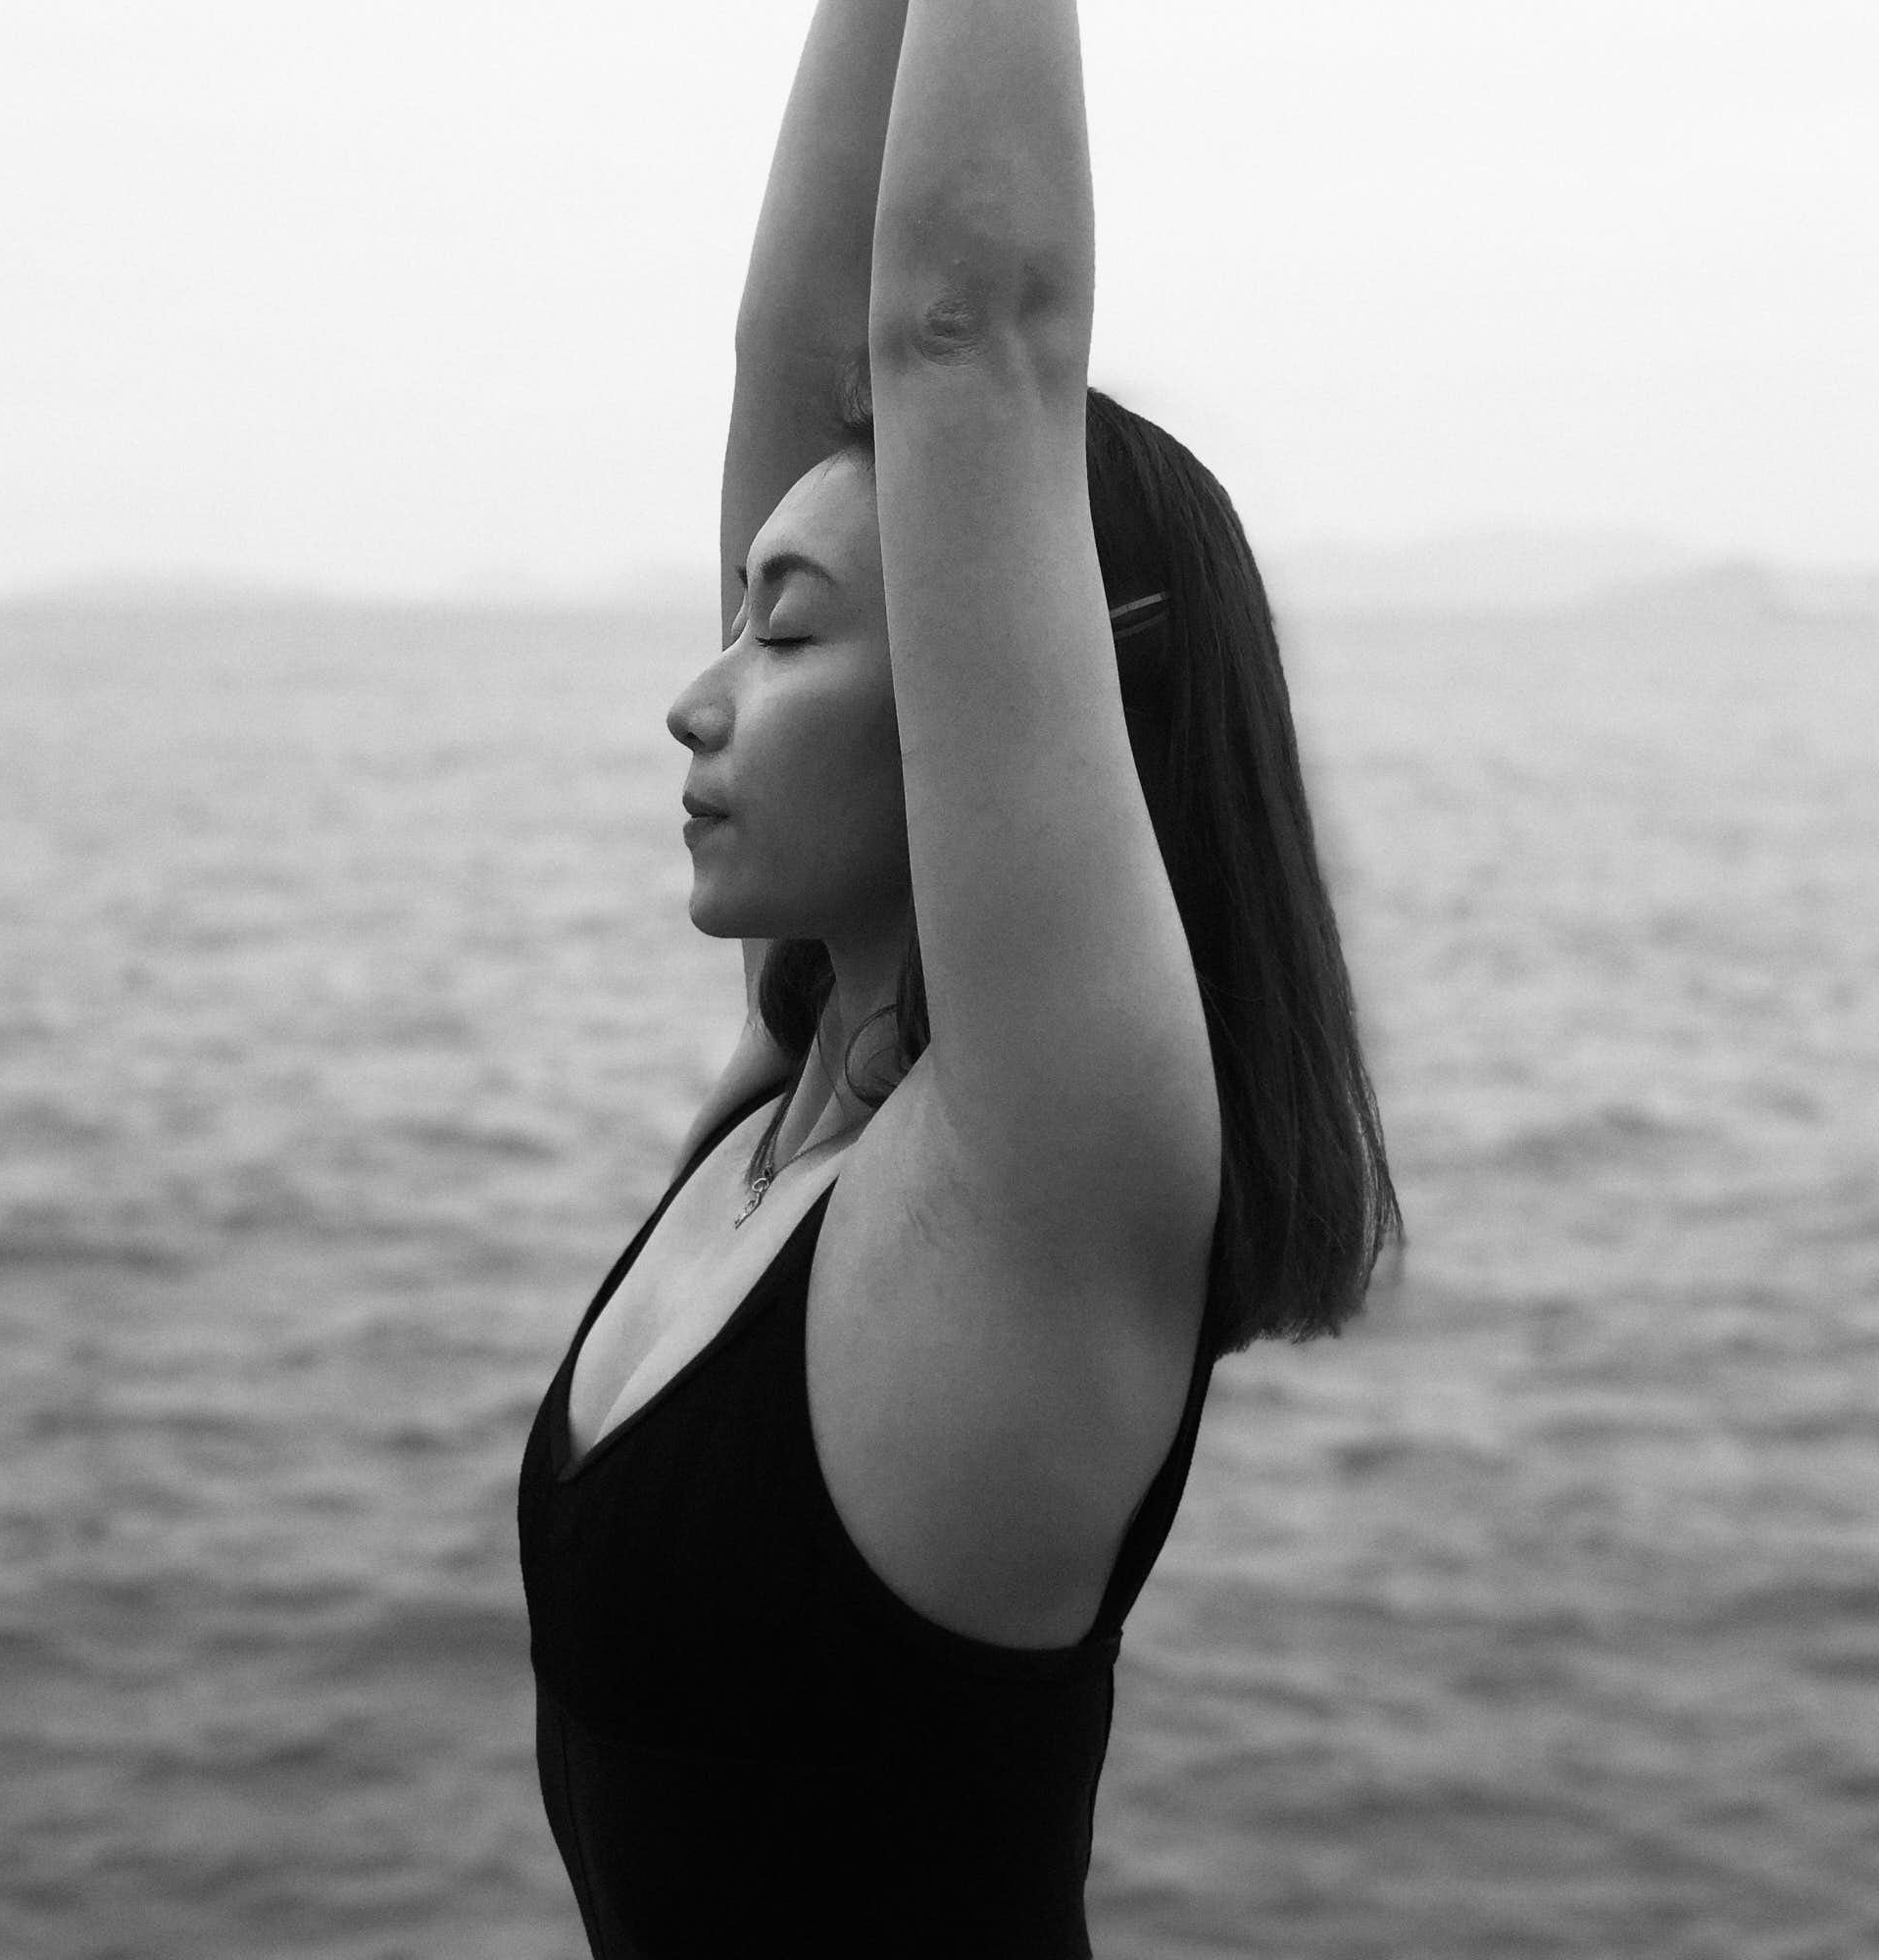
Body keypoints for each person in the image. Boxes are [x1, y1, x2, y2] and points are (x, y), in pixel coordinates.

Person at [517, 0, 1400, 1951]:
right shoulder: (804, 1076)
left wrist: (949, 388)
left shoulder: (1037, 1174)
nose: (693, 693)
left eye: (787, 626)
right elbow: (809, 351)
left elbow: (961, 331)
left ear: (1011, 707)